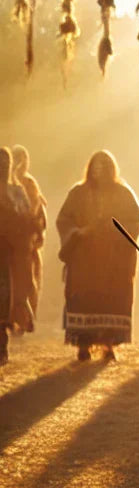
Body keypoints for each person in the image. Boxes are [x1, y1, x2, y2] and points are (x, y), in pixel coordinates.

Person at [56, 150, 139, 362]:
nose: (100, 171)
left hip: (114, 260)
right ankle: (83, 345)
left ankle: (108, 344)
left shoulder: (124, 193)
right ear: (90, 169)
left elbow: (135, 222)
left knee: (112, 299)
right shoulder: (77, 192)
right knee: (84, 298)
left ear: (112, 169)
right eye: (96, 166)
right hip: (84, 259)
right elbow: (63, 220)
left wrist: (115, 232)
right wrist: (78, 233)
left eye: (105, 167)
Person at [0, 148, 33, 365]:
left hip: (11, 255)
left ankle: (2, 345)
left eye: (5, 162)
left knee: (7, 300)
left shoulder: (18, 192)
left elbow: (28, 218)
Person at [11, 144, 46, 329]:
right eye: (15, 158)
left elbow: (35, 210)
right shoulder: (7, 184)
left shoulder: (28, 183)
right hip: (8, 241)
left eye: (22, 158)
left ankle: (26, 316)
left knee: (27, 278)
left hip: (26, 240)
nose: (19, 162)